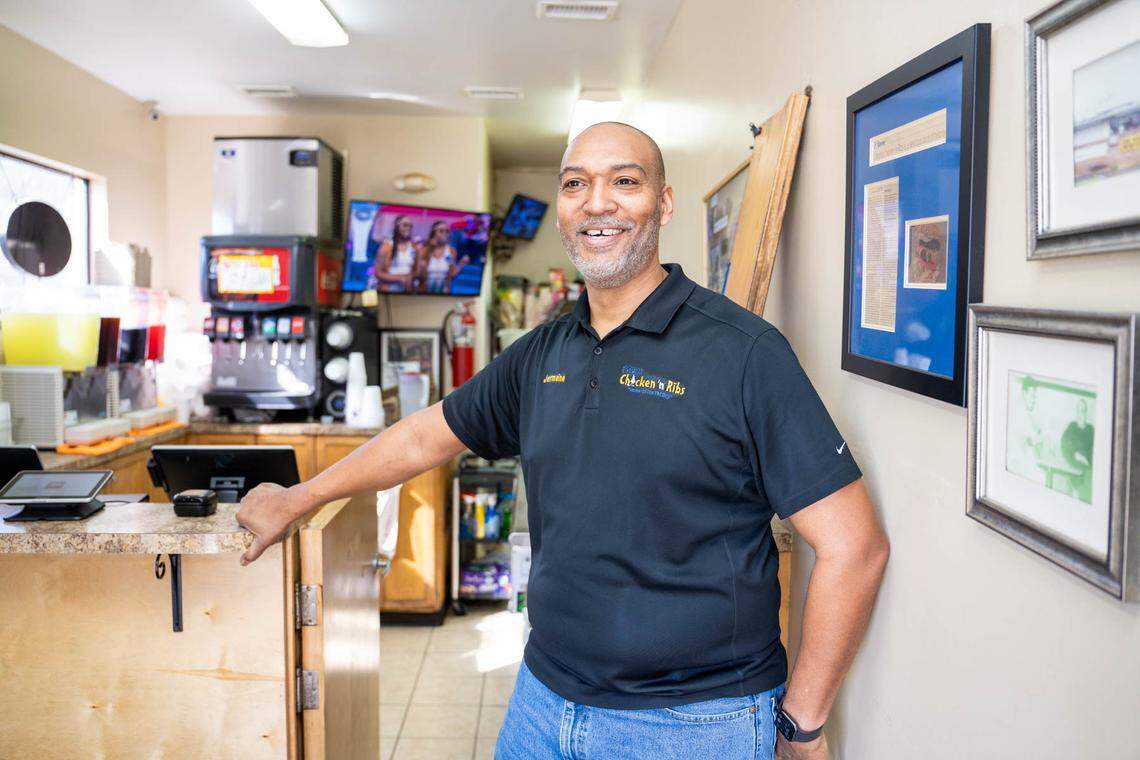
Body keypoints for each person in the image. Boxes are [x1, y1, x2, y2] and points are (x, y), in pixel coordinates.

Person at [236, 122, 889, 760]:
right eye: (576, 184)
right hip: (543, 704)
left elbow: (854, 548)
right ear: (560, 211)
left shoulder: (743, 352)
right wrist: (300, 496)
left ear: (662, 203)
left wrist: (803, 724)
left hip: (695, 723)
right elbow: (421, 437)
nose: (597, 201)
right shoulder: (541, 352)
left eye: (624, 181)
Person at [370, 214, 420, 292]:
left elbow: (416, 271)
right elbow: (378, 273)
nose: (408, 228)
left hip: (407, 289)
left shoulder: (414, 247)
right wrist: (399, 278)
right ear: (397, 227)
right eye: (405, 225)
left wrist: (410, 277)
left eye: (410, 226)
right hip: (388, 288)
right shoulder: (386, 246)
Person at [419, 220, 469, 293]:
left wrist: (461, 264)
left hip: (442, 291)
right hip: (425, 291)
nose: (445, 233)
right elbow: (418, 276)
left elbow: (452, 274)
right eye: (441, 231)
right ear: (433, 233)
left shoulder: (451, 251)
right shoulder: (425, 250)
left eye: (447, 231)